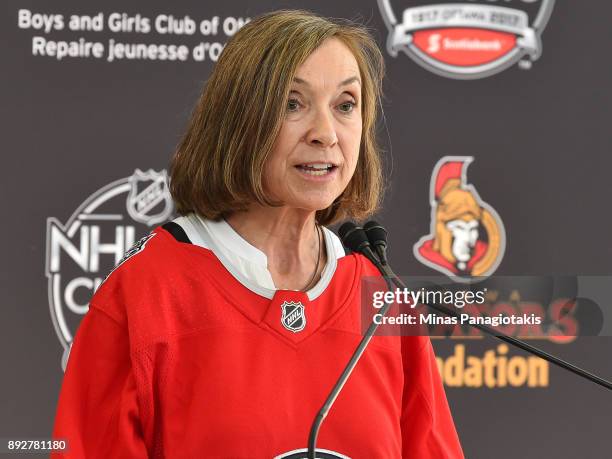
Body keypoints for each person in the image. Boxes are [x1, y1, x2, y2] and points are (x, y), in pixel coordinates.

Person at [52, 9, 464, 458]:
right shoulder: (144, 292)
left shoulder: (381, 299)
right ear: (239, 121)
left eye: (345, 105)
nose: (326, 133)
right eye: (292, 103)